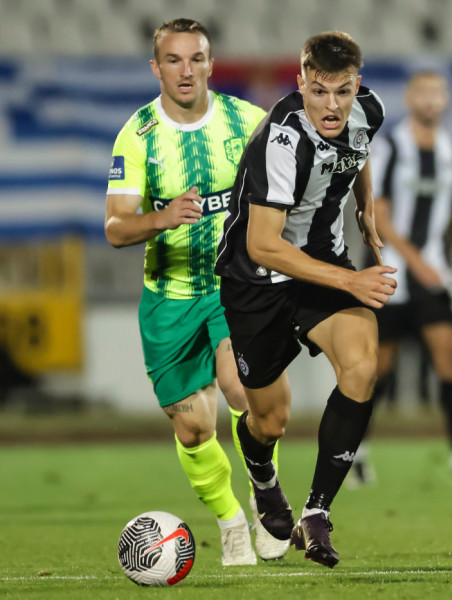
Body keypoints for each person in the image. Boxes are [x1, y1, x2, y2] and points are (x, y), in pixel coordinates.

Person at [104, 18, 289, 565]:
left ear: (210, 64)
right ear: (156, 68)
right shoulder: (138, 135)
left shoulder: (247, 121)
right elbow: (115, 226)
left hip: (234, 287)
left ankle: (264, 496)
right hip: (169, 296)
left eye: (196, 59)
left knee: (242, 390)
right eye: (174, 60)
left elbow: (290, 186)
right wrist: (161, 218)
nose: (186, 71)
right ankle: (230, 522)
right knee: (192, 428)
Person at [214, 31, 395, 569]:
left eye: (342, 91)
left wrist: (364, 205)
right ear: (300, 84)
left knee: (361, 364)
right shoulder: (281, 140)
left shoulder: (369, 111)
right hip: (256, 280)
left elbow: (358, 152)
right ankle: (262, 476)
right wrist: (352, 282)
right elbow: (263, 244)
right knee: (270, 421)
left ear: (357, 85)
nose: (331, 106)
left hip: (320, 263)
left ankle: (316, 513)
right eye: (318, 91)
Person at [352, 70, 452, 488]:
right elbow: (376, 211)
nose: (431, 100)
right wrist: (415, 261)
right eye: (423, 93)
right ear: (410, 98)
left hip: (433, 273)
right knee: (377, 368)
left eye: (437, 93)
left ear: (446, 100)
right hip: (389, 272)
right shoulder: (391, 147)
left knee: (449, 358)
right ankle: (355, 455)